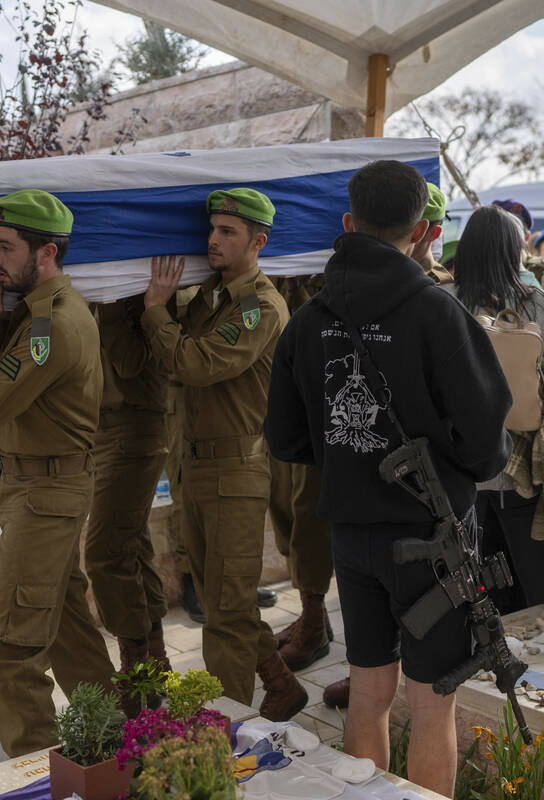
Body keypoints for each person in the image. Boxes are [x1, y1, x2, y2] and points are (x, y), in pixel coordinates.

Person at [265, 160, 512, 797]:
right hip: (433, 539)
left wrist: (349, 453)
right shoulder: (438, 313)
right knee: (433, 705)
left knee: (368, 692)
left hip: (352, 533)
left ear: (349, 223)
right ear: (426, 233)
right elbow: (487, 443)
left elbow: (287, 440)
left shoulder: (308, 320)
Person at [0, 189, 115, 756]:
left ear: (45, 254)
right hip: (44, 487)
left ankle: (38, 782)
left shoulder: (52, 327)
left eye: (4, 248)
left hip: (46, 493)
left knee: (13, 653)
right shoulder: (37, 316)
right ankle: (117, 746)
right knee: (68, 630)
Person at [139, 188, 305, 720]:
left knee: (227, 611)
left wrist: (154, 313)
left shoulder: (260, 307)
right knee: (221, 599)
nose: (212, 239)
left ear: (258, 242)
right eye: (212, 229)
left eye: (227, 232)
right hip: (196, 466)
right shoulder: (208, 296)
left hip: (237, 470)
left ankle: (220, 729)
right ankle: (281, 684)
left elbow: (197, 363)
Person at [455, 205, 544, 610]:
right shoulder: (533, 301)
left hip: (462, 451)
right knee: (531, 557)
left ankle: (491, 645)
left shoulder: (445, 300)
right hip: (521, 446)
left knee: (479, 557)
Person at [85, 294, 173, 714]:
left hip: (134, 426)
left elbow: (130, 363)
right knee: (131, 546)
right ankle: (154, 662)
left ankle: (137, 670)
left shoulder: (133, 294)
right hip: (103, 429)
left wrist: (110, 305)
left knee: (104, 553)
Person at [268, 275, 335, 673]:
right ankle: (315, 613)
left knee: (309, 512)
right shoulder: (279, 282)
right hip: (284, 395)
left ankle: (313, 619)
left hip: (321, 401)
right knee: (283, 505)